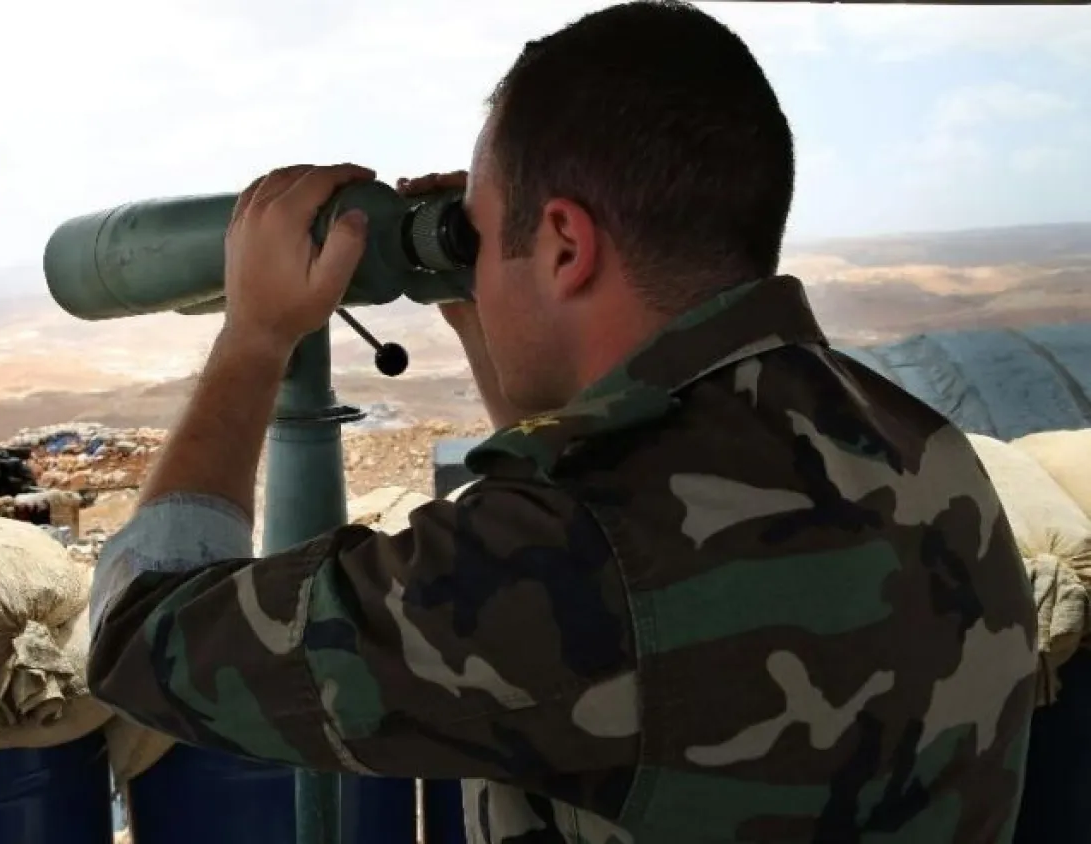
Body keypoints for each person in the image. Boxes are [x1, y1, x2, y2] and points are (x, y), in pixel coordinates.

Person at [83, 1, 1038, 841]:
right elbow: (603, 518)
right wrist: (489, 297)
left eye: (487, 235)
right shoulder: (927, 453)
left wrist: (253, 339)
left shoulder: (564, 561)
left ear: (568, 244)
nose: (477, 265)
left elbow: (141, 637)